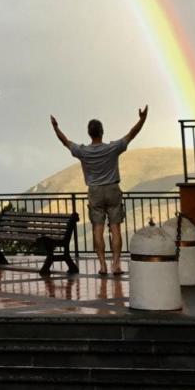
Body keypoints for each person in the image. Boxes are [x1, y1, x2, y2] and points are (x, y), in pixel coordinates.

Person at [49, 106, 148, 276]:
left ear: (89, 133)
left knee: (97, 229)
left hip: (94, 191)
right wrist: (142, 119)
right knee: (115, 228)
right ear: (102, 132)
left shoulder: (83, 151)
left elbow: (65, 141)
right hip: (112, 189)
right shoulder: (112, 148)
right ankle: (116, 265)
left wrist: (56, 127)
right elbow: (132, 134)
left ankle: (102, 265)